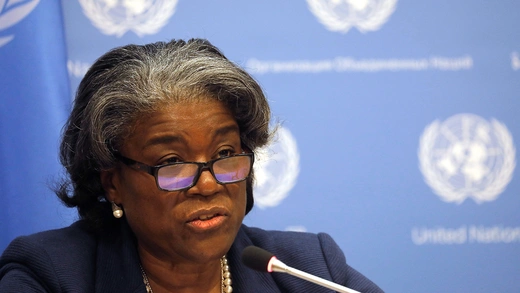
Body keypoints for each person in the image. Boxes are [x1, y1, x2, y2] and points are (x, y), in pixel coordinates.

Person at [0, 39, 384, 293]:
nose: (207, 185)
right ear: (113, 183)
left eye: (223, 155)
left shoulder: (309, 270)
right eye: (171, 162)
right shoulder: (50, 275)